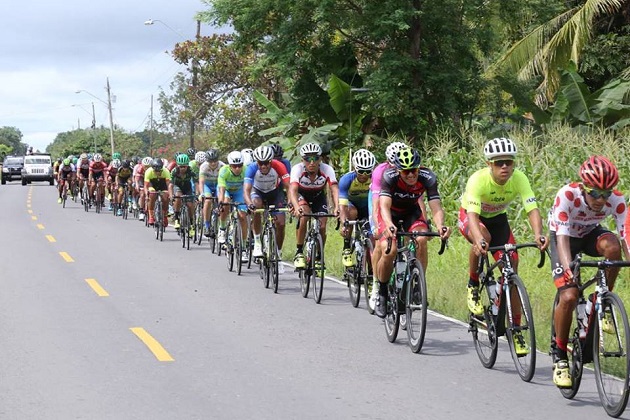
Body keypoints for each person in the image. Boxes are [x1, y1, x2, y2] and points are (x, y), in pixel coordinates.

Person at [459, 137, 547, 350]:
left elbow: (532, 209)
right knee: (484, 238)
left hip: (498, 220)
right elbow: (472, 214)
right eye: (499, 163)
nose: (505, 166)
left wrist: (538, 234)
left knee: (512, 265)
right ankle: (472, 284)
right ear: (489, 164)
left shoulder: (519, 178)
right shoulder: (478, 180)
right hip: (472, 217)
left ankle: (515, 329)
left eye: (509, 161)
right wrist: (478, 239)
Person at [549, 155, 628, 389]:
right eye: (595, 193)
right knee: (570, 296)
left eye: (605, 194)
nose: (600, 200)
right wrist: (567, 268)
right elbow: (562, 238)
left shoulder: (617, 200)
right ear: (584, 188)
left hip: (589, 234)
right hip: (564, 239)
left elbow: (625, 235)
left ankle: (601, 302)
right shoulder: (567, 195)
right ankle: (560, 356)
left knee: (613, 249)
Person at [373, 147, 451, 318]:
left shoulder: (427, 177)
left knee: (422, 239)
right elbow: (384, 205)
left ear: (419, 167)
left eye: (414, 170)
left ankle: (417, 284)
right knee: (389, 250)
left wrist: (440, 226)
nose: (410, 175)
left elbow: (436, 206)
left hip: (411, 212)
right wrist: (388, 224)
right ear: (398, 170)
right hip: (389, 214)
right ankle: (382, 291)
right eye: (406, 171)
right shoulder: (389, 177)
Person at [288, 142, 339, 269]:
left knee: (322, 225)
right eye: (307, 159)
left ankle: (319, 256)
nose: (312, 162)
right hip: (302, 196)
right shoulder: (297, 169)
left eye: (315, 158)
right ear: (302, 160)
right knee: (304, 216)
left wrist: (337, 206)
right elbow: (293, 190)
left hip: (318, 197)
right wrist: (295, 206)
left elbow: (334, 189)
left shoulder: (327, 169)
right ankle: (299, 252)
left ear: (320, 159)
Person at [243, 145, 290, 270]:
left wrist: (290, 202)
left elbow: (289, 187)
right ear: (256, 162)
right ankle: (257, 242)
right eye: (260, 163)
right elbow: (246, 191)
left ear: (271, 161)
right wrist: (249, 204)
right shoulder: (251, 168)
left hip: (274, 193)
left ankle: (278, 255)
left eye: (266, 163)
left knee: (281, 223)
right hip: (257, 191)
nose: (263, 166)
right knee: (256, 206)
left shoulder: (279, 166)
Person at [339, 149, 377, 267]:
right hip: (352, 206)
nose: (364, 175)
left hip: (368, 208)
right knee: (352, 212)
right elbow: (343, 205)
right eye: (361, 171)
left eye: (367, 171)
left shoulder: (376, 179)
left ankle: (371, 272)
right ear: (355, 168)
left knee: (372, 240)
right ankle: (346, 248)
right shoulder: (347, 180)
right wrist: (343, 223)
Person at [217, 150, 249, 262]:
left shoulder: (246, 170)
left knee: (243, 216)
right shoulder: (224, 171)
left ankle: (244, 248)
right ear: (230, 165)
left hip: (239, 192)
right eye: (234, 166)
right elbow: (221, 190)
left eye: (239, 165)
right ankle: (222, 228)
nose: (237, 169)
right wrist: (220, 203)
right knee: (225, 202)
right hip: (226, 191)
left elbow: (248, 188)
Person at [170, 153, 198, 235]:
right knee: (178, 197)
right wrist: (171, 195)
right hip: (177, 186)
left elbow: (196, 183)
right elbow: (171, 185)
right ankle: (176, 218)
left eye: (184, 166)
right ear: (177, 165)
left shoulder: (191, 170)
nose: (182, 168)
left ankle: (192, 223)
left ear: (187, 165)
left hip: (187, 187)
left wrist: (198, 193)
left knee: (190, 205)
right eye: (180, 166)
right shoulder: (174, 171)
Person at [199, 149, 224, 237]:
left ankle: (221, 225)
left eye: (215, 161)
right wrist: (202, 193)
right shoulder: (203, 166)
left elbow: (224, 182)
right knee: (208, 200)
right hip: (207, 186)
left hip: (218, 185)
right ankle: (206, 225)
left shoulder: (222, 166)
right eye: (210, 161)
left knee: (222, 201)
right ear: (207, 161)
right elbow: (201, 182)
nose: (213, 163)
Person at [144, 158, 171, 227]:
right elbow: (146, 186)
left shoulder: (166, 171)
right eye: (155, 171)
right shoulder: (148, 171)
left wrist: (170, 194)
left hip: (162, 184)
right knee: (152, 195)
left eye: (159, 171)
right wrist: (147, 196)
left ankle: (164, 215)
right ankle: (151, 216)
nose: (157, 172)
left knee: (166, 197)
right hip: (152, 184)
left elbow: (168, 185)